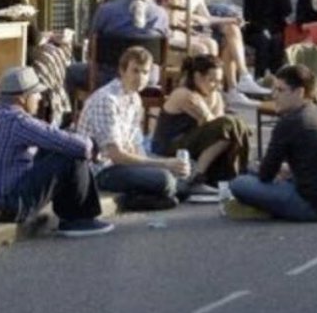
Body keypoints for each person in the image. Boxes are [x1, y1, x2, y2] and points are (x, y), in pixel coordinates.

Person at [0, 66, 113, 237]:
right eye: (35, 93)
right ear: (22, 98)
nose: (40, 98)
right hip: (5, 206)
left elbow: (48, 137)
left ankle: (71, 214)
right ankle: (79, 219)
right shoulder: (17, 121)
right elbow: (76, 146)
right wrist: (94, 147)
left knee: (56, 148)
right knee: (71, 154)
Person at [76, 47, 214, 210]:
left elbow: (136, 146)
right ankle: (139, 198)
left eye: (145, 72)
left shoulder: (134, 99)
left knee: (185, 170)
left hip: (124, 164)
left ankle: (157, 195)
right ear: (122, 71)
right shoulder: (107, 100)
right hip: (101, 170)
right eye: (135, 71)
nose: (140, 78)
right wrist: (163, 164)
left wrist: (165, 166)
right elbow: (116, 156)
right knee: (166, 180)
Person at [226, 65, 317, 222]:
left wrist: (275, 173)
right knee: (252, 170)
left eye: (281, 90)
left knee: (238, 183)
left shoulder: (290, 122)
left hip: (314, 206)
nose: (274, 95)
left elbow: (266, 174)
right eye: (274, 89)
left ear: (300, 92)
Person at [65, 0, 170, 95]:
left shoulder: (106, 10)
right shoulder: (161, 15)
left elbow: (92, 47)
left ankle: (75, 113)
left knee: (70, 71)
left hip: (106, 77)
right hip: (147, 80)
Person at [185, 0, 271, 103]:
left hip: (201, 25)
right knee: (230, 33)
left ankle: (234, 87)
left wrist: (229, 20)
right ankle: (241, 81)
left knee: (231, 32)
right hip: (188, 29)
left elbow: (206, 17)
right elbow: (186, 16)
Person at [150, 55, 251, 185]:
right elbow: (212, 123)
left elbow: (221, 129)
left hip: (194, 142)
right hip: (170, 146)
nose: (217, 86)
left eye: (219, 81)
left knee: (236, 125)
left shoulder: (215, 95)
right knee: (228, 124)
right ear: (197, 77)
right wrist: (213, 117)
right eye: (212, 80)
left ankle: (232, 174)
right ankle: (197, 175)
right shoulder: (184, 94)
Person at [242, 0, 293, 76]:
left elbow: (287, 12)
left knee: (277, 41)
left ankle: (277, 76)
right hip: (255, 29)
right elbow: (248, 16)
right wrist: (262, 29)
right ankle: (260, 77)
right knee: (263, 41)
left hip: (276, 29)